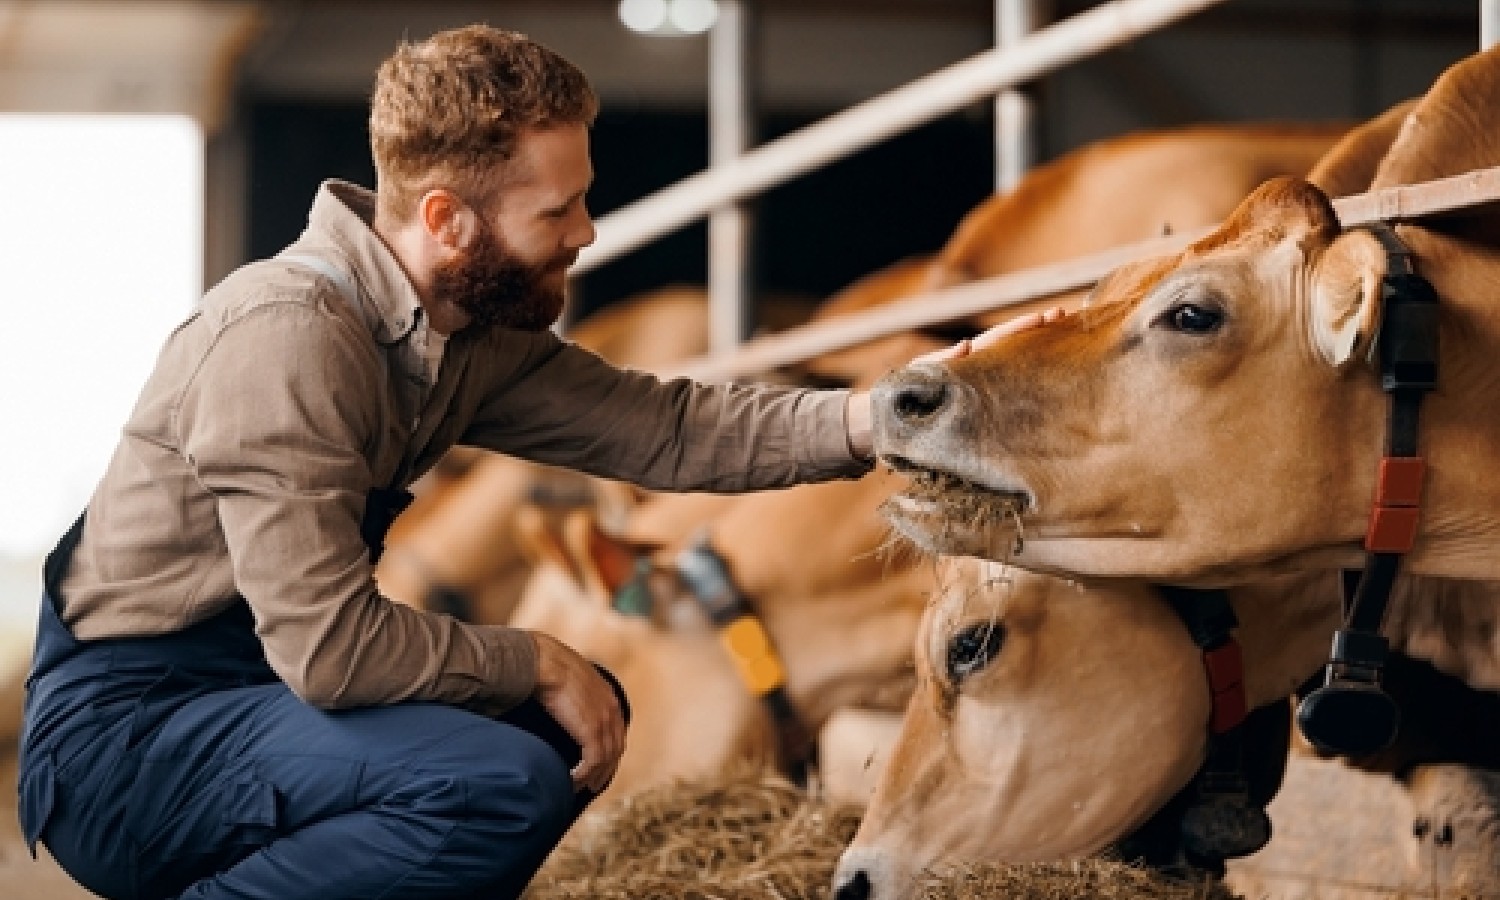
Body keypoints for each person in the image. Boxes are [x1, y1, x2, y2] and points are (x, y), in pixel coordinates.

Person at [17, 23, 1046, 900]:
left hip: (246, 699)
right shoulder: (289, 340)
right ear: (445, 220)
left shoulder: (462, 335)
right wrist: (534, 655)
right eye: (557, 211)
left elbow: (672, 430)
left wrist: (876, 421)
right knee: (498, 777)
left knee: (557, 735)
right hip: (125, 736)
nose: (587, 232)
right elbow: (329, 654)